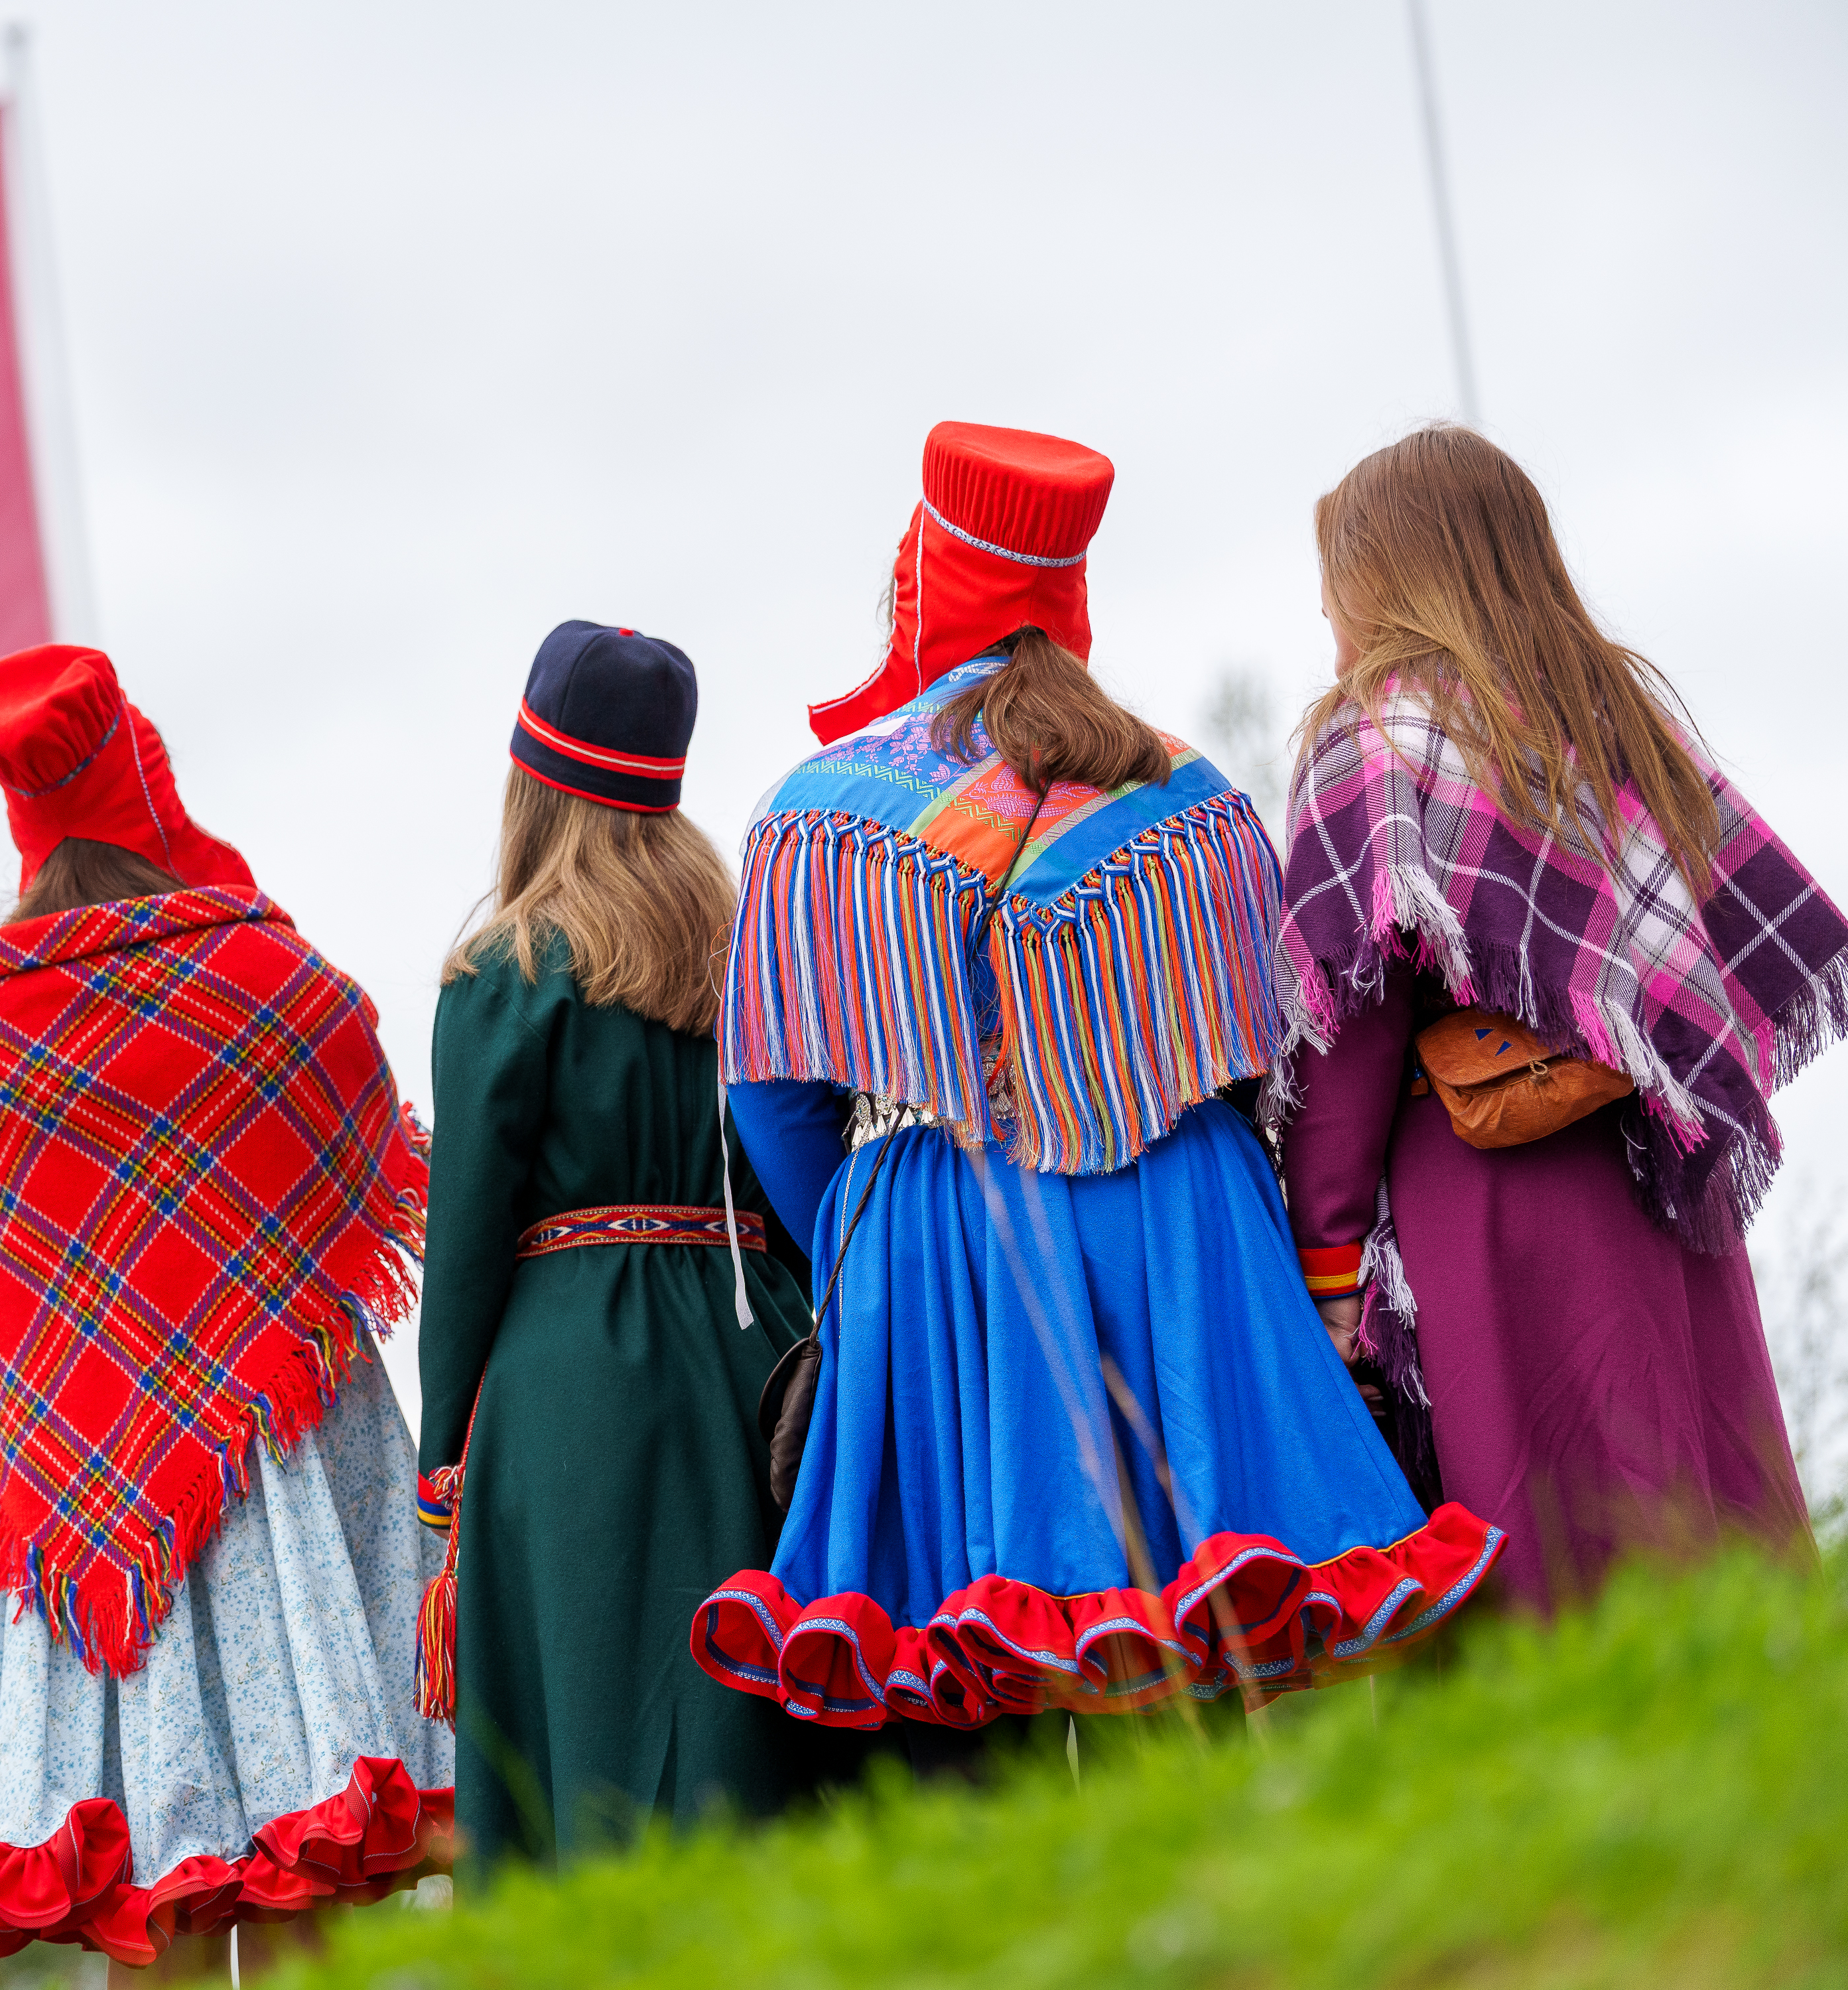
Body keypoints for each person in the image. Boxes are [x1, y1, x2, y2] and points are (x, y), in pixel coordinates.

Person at [693, 421, 1502, 1738]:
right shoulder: (1195, 800)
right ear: (1068, 604)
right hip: (1185, 1218)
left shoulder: (817, 815)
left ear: (929, 584)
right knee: (1205, 1632)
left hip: (951, 1235)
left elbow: (775, 1099)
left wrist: (865, 1244)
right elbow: (1277, 1060)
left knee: (1004, 1659)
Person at [0, 646, 450, 1983]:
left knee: (155, 1896)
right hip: (276, 1467)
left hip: (79, 1494)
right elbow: (369, 1149)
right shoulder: (269, 979)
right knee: (306, 1858)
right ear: (147, 789)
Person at [1271, 424, 1834, 1610]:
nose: (1330, 626)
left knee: (1539, 1559)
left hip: (1482, 1220)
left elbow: (1345, 1032)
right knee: (1698, 1516)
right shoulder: (1620, 715)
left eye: (1335, 593)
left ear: (1387, 578)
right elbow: (1711, 969)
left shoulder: (1372, 737)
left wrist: (1325, 1271)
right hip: (1655, 1192)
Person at [415, 620, 861, 1871]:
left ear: (531, 783)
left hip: (574, 1391)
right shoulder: (745, 948)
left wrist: (444, 1455)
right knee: (745, 1729)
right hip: (757, 1358)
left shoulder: (501, 977)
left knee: (593, 1740)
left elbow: (463, 1246)